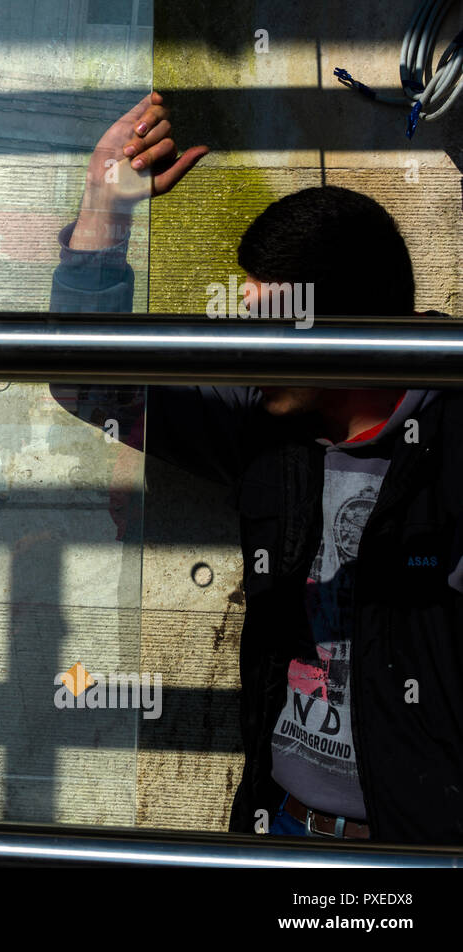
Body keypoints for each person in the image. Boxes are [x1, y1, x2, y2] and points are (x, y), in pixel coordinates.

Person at [51, 92, 463, 845]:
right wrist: (103, 208)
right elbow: (91, 382)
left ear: (349, 327)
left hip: (419, 853)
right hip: (281, 831)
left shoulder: (453, 433)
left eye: (268, 327)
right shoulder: (267, 425)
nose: (244, 351)